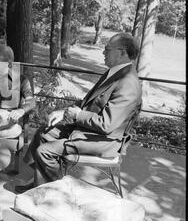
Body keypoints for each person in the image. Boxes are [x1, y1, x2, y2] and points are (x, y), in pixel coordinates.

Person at [15, 33, 142, 193]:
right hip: (90, 131)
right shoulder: (114, 73)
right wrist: (63, 112)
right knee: (42, 133)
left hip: (103, 140)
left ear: (122, 52)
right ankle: (40, 186)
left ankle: (57, 194)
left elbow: (107, 124)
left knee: (45, 151)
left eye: (107, 49)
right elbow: (86, 103)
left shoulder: (128, 83)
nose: (103, 52)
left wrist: (77, 115)